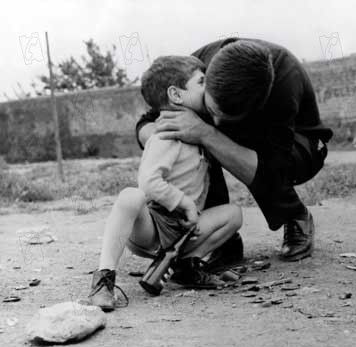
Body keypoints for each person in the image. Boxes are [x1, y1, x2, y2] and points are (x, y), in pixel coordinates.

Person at [136, 38, 332, 264]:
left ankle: (295, 216)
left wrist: (205, 133)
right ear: (206, 78)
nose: (217, 121)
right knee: (191, 135)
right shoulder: (195, 65)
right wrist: (169, 140)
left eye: (225, 118)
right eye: (211, 109)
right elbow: (146, 123)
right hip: (244, 134)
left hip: (300, 146)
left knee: (206, 135)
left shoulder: (283, 82)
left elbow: (274, 170)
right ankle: (223, 239)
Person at [88, 55, 243, 311]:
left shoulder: (197, 129)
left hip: (183, 230)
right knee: (131, 196)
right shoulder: (167, 135)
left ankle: (185, 267)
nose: (209, 88)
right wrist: (184, 203)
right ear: (176, 94)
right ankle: (104, 279)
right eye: (202, 82)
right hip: (154, 226)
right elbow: (148, 182)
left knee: (233, 214)